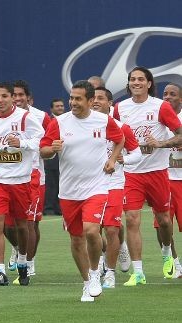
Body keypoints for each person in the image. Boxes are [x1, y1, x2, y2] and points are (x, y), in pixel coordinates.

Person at [40, 80, 124, 302]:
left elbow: (120, 139)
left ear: (90, 100)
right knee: (77, 240)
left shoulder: (104, 121)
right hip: (68, 191)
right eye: (71, 98)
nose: (73, 102)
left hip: (97, 186)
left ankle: (96, 273)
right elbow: (43, 150)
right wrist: (52, 149)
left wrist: (112, 159)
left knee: (91, 230)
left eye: (78, 99)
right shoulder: (59, 122)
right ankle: (87, 282)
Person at [113, 67, 182, 285]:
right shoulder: (119, 108)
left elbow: (180, 135)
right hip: (131, 174)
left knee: (163, 220)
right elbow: (113, 137)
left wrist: (160, 143)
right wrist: (117, 155)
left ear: (149, 83)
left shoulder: (161, 107)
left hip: (158, 173)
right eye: (133, 79)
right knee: (132, 219)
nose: (136, 83)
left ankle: (166, 254)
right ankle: (138, 272)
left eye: (141, 79)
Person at [0, 82, 43, 286]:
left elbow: (41, 140)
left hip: (21, 180)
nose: (0, 100)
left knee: (21, 225)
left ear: (12, 98)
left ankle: (23, 261)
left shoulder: (25, 118)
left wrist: (22, 143)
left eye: (4, 96)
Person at [93, 86, 140, 288]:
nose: (96, 101)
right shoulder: (82, 126)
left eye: (101, 98)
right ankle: (115, 250)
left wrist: (124, 159)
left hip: (114, 183)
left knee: (111, 229)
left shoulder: (122, 127)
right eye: (93, 98)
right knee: (92, 230)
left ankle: (109, 273)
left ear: (110, 103)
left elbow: (137, 153)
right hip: (90, 184)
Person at [8, 80, 50, 279]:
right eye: (13, 95)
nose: (17, 99)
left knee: (31, 222)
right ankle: (18, 247)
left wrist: (42, 150)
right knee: (7, 225)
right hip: (6, 175)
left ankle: (29, 263)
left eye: (20, 95)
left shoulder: (41, 117)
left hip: (33, 174)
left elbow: (49, 141)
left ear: (28, 98)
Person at [152, 83, 182, 278]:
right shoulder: (156, 118)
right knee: (161, 224)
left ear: (180, 99)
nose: (168, 97)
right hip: (163, 177)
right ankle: (174, 263)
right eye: (165, 93)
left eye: (173, 94)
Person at [43, 99, 64, 216]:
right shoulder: (49, 121)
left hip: (63, 158)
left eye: (61, 106)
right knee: (51, 184)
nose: (60, 108)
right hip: (51, 158)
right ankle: (48, 208)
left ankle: (59, 208)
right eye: (57, 106)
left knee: (61, 184)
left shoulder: (68, 121)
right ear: (52, 109)